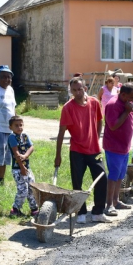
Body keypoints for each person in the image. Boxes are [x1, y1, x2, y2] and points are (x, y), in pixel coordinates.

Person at [54, 77, 112, 224]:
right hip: (77, 150)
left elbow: (100, 120)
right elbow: (61, 133)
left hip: (94, 150)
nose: (77, 92)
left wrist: (96, 138)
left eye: (80, 89)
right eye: (74, 90)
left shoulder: (94, 102)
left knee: (102, 178)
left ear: (85, 88)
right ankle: (81, 212)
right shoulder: (68, 108)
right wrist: (58, 155)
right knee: (77, 182)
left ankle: (98, 212)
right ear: (71, 91)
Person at [102, 83, 133, 216]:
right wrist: (127, 111)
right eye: (131, 97)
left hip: (124, 147)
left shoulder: (127, 103)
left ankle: (116, 201)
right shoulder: (113, 105)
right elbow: (113, 126)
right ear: (123, 95)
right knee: (113, 175)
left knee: (120, 176)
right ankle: (109, 204)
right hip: (114, 147)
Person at [7, 115, 39, 217]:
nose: (19, 127)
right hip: (18, 169)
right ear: (10, 127)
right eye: (16, 125)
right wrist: (22, 168)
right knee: (23, 190)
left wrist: (25, 155)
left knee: (32, 188)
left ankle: (34, 209)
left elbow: (31, 147)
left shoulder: (25, 136)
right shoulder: (12, 137)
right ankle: (15, 209)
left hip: (27, 168)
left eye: (21, 125)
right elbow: (16, 154)